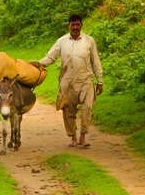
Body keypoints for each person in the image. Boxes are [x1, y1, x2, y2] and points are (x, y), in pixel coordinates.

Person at [31, 14, 103, 147]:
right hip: (67, 80)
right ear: (69, 25)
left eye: (77, 24)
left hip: (86, 79)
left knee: (87, 108)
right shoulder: (62, 41)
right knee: (68, 109)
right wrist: (39, 63)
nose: (75, 27)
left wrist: (99, 81)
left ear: (81, 25)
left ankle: (83, 136)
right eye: (72, 24)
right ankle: (73, 137)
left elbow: (95, 61)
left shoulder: (89, 41)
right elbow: (50, 57)